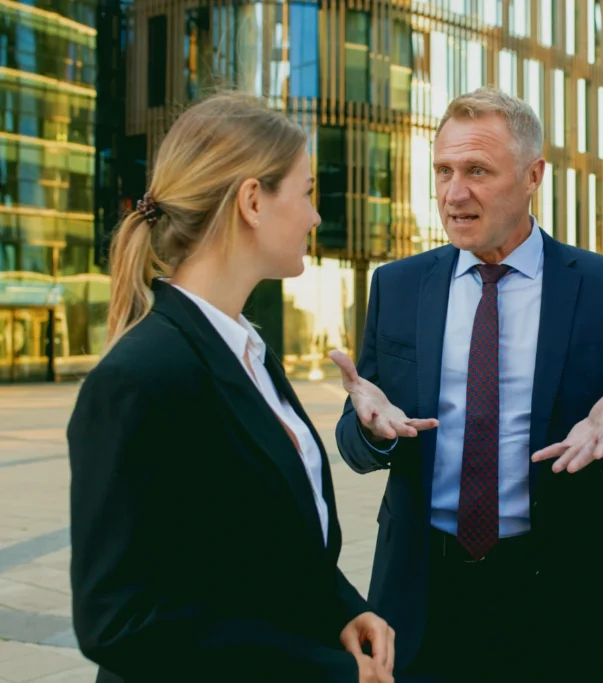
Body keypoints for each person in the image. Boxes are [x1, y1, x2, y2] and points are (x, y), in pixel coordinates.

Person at [331, 86, 603, 683]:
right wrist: (372, 432)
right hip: (422, 595)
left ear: (533, 175)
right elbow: (360, 428)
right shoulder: (399, 286)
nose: (453, 192)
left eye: (477, 171)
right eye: (443, 170)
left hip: (562, 602)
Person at [67, 93, 395, 683]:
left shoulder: (249, 352)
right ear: (251, 200)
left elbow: (268, 549)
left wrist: (344, 608)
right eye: (306, 191)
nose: (315, 216)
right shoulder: (139, 379)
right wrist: (326, 673)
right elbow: (119, 623)